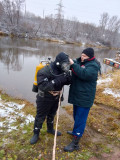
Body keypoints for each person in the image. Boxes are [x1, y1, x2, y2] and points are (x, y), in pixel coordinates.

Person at [64, 48, 101, 152]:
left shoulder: (93, 66)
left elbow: (83, 74)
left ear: (90, 57)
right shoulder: (82, 62)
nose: (82, 57)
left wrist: (73, 64)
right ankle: (76, 132)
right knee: (76, 115)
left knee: (81, 119)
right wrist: (69, 60)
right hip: (78, 95)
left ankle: (75, 143)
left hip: (85, 97)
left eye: (84, 56)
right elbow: (76, 63)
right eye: (82, 54)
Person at [30, 52, 71, 144]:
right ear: (58, 63)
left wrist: (68, 79)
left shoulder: (62, 70)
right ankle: (36, 133)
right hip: (44, 97)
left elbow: (67, 82)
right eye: (64, 64)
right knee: (40, 116)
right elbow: (43, 86)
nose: (66, 67)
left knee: (52, 114)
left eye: (67, 65)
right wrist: (57, 81)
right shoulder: (44, 71)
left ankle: (50, 129)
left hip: (57, 97)